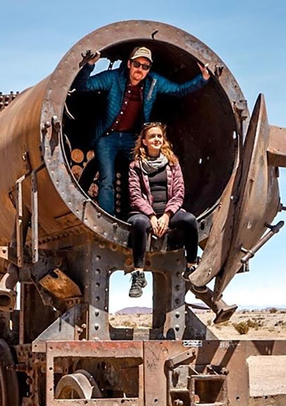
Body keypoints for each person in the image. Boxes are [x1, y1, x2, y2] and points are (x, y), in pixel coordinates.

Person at [72, 46, 210, 215]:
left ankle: (142, 216)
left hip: (133, 138)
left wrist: (202, 79)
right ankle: (108, 217)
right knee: (106, 179)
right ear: (129, 64)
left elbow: (179, 90)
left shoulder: (154, 82)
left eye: (145, 67)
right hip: (108, 137)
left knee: (141, 177)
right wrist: (89, 66)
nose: (140, 69)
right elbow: (82, 86)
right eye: (137, 64)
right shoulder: (113, 78)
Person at [127, 122, 199, 298]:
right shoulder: (135, 166)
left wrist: (166, 216)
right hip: (144, 213)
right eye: (152, 136)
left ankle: (191, 266)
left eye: (159, 136)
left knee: (190, 220)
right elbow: (135, 195)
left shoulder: (173, 163)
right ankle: (138, 273)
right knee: (138, 224)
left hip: (168, 212)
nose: (157, 139)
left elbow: (179, 192)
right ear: (144, 141)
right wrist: (151, 215)